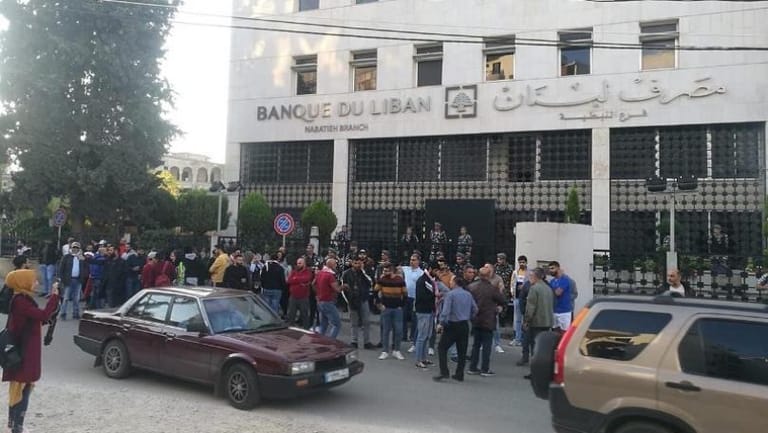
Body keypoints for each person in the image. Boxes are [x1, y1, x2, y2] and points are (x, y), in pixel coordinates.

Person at [3, 269, 60, 433]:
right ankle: (17, 426)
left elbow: (32, 320)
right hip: (24, 352)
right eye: (33, 280)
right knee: (22, 389)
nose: (36, 283)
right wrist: (54, 296)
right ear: (23, 282)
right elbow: (42, 315)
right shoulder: (21, 301)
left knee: (22, 387)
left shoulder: (22, 299)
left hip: (24, 350)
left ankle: (14, 424)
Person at [433, 276, 477, 382]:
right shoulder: (468, 295)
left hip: (452, 324)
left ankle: (444, 372)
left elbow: (446, 310)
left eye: (451, 281)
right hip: (464, 324)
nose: (450, 283)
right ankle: (459, 373)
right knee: (462, 351)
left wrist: (441, 323)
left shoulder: (450, 294)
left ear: (455, 283)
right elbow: (475, 309)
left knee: (442, 348)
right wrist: (470, 317)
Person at [467, 264, 505, 377]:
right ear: (489, 276)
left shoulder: (472, 286)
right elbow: (502, 300)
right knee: (487, 345)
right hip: (488, 318)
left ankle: (472, 367)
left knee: (476, 344)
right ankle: (485, 369)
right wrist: (499, 307)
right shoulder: (492, 289)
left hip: (476, 318)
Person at [518, 267, 554, 369]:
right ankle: (539, 365)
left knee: (532, 344)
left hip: (536, 321)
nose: (529, 278)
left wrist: (526, 321)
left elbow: (531, 307)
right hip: (546, 321)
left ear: (535, 277)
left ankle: (535, 369)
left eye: (530, 276)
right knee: (540, 346)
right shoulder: (548, 288)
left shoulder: (534, 288)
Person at [375, 262, 407, 360]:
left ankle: (396, 350)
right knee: (386, 330)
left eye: (386, 270)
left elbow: (405, 294)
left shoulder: (400, 280)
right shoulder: (382, 280)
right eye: (384, 270)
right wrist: (379, 304)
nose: (384, 272)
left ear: (392, 270)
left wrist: (401, 306)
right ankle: (385, 351)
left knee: (398, 330)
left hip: (397, 308)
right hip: (386, 308)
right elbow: (375, 292)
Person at [414, 261, 439, 369]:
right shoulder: (422, 280)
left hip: (429, 311)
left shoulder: (429, 280)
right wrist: (435, 295)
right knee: (421, 336)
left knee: (426, 336)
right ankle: (418, 360)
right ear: (430, 269)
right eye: (436, 270)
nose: (437, 272)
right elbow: (421, 297)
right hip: (423, 311)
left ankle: (423, 358)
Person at [58, 242, 88, 320]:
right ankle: (63, 313)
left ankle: (76, 313)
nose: (75, 249)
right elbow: (61, 269)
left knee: (76, 298)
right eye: (74, 247)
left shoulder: (81, 257)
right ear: (71, 248)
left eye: (77, 248)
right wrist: (61, 278)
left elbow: (86, 267)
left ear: (79, 249)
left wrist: (83, 276)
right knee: (66, 298)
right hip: (68, 280)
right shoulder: (66, 257)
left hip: (78, 280)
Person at [315, 259, 342, 339]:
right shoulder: (330, 275)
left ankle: (319, 341)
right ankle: (330, 342)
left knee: (323, 324)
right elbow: (337, 289)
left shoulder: (320, 273)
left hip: (320, 301)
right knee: (337, 324)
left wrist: (317, 294)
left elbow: (313, 283)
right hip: (328, 301)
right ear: (331, 265)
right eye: (335, 264)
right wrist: (343, 287)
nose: (336, 266)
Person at [286, 257, 313, 329]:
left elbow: (307, 278)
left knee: (305, 315)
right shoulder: (294, 271)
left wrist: (296, 279)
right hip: (293, 297)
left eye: (300, 263)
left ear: (304, 264)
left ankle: (306, 330)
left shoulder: (308, 271)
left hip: (303, 297)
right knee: (291, 315)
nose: (298, 265)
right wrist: (299, 280)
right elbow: (289, 280)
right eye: (297, 263)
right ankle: (291, 331)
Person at [548, 261, 573, 333]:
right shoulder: (552, 281)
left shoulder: (564, 280)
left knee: (564, 332)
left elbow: (558, 293)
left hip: (564, 311)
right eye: (549, 269)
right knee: (555, 331)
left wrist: (552, 291)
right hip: (554, 310)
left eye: (552, 268)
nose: (550, 271)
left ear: (558, 268)